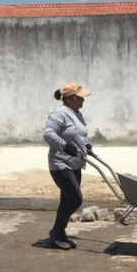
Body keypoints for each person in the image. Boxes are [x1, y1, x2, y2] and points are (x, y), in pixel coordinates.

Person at [42, 82, 94, 250]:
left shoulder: (76, 113)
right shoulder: (59, 114)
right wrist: (64, 146)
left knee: (66, 200)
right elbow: (48, 133)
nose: (83, 101)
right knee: (75, 199)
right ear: (70, 98)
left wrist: (86, 144)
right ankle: (56, 232)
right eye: (80, 98)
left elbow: (78, 133)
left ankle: (59, 233)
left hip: (74, 163)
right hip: (61, 164)